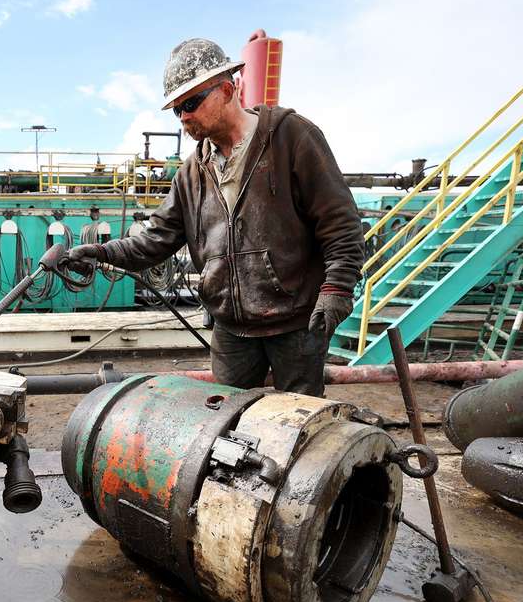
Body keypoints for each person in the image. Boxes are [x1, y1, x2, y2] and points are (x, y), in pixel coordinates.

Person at [67, 36, 364, 396]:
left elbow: (340, 223)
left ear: (226, 89)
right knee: (224, 427)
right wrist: (101, 253)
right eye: (177, 109)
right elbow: (154, 240)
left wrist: (336, 288)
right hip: (232, 329)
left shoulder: (291, 138)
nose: (184, 117)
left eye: (191, 102)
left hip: (297, 324)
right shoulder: (191, 174)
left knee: (299, 424)